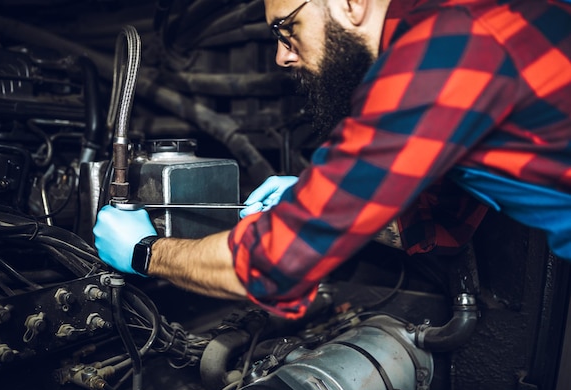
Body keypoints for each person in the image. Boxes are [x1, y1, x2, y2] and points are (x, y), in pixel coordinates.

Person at [94, 0, 571, 320]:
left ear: (350, 2)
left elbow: (275, 268)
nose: (282, 56)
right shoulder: (459, 30)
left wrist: (145, 252)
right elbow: (441, 229)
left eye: (287, 28)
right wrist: (315, 198)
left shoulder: (447, 47)